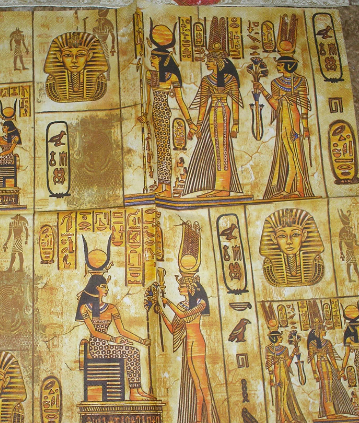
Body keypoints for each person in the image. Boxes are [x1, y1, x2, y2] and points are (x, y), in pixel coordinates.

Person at [76, 237, 154, 401]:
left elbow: (122, 330)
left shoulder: (111, 308)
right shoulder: (86, 309)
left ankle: (137, 390)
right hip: (96, 349)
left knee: (134, 350)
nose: (107, 289)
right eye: (104, 286)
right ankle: (134, 392)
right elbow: (94, 333)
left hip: (107, 345)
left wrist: (141, 340)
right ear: (96, 288)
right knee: (131, 353)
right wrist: (115, 340)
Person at [183, 21, 244, 198]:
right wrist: (198, 125)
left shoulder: (230, 79)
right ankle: (218, 187)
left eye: (209, 61)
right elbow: (203, 105)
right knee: (214, 149)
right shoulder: (206, 80)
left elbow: (235, 102)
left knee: (222, 149)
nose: (207, 63)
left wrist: (235, 124)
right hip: (213, 114)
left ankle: (223, 188)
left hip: (223, 112)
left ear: (217, 62)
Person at [157, 274, 221, 423]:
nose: (179, 288)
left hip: (197, 342)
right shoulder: (181, 305)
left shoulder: (200, 303)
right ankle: (199, 421)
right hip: (188, 343)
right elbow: (173, 329)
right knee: (196, 385)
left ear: (190, 288)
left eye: (182, 286)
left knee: (203, 383)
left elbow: (184, 315)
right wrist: (161, 312)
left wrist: (168, 303)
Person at [138, 22, 194, 197]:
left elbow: (180, 100)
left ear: (162, 60)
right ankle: (161, 184)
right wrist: (145, 115)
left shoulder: (171, 77)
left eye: (154, 59)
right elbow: (148, 99)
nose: (151, 61)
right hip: (155, 113)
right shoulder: (150, 75)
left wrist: (190, 122)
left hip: (163, 113)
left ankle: (167, 186)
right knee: (156, 149)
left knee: (164, 150)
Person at [253, 56, 315, 200]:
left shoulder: (300, 81)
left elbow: (304, 105)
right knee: (289, 155)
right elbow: (275, 105)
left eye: (280, 65)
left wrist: (305, 127)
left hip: (294, 118)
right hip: (283, 119)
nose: (278, 67)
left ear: (288, 66)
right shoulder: (276, 82)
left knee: (296, 154)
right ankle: (288, 189)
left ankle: (299, 189)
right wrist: (262, 89)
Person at [259, 208, 324, 287]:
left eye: (295, 235)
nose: (289, 241)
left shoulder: (316, 264)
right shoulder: (270, 267)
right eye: (282, 236)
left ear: (304, 236)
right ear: (274, 238)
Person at [307, 320, 355, 420]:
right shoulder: (313, 344)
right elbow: (312, 360)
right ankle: (329, 412)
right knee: (326, 388)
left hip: (327, 364)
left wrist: (337, 371)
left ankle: (332, 412)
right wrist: (315, 373)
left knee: (330, 387)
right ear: (319, 331)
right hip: (321, 364)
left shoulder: (327, 342)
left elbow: (332, 358)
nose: (325, 332)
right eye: (324, 330)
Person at [44, 31, 108, 103]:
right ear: (59, 57)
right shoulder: (52, 81)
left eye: (81, 55)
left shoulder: (99, 80)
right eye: (68, 55)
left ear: (89, 56)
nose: (74, 60)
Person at [265, 326, 307, 423]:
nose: (281, 338)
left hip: (285, 373)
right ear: (275, 338)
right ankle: (284, 420)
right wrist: (272, 379)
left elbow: (287, 363)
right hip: (277, 374)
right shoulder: (269, 349)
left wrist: (293, 353)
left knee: (287, 396)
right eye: (279, 337)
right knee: (281, 397)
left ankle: (290, 419)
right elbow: (269, 366)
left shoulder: (284, 349)